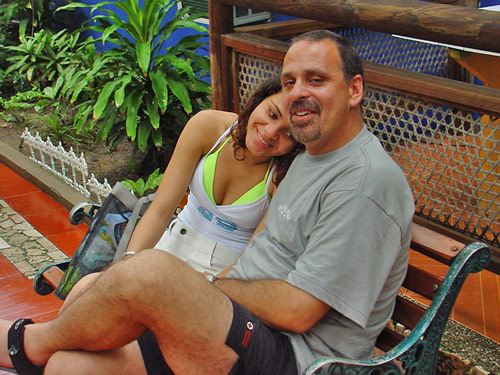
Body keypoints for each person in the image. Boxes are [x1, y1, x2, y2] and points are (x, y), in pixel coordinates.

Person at [0, 30, 415, 375]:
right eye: (290, 83)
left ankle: (24, 343)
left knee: (151, 273)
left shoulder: (365, 182)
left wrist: (205, 287)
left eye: (316, 79)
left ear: (354, 88)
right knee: (70, 368)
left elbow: (297, 311)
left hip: (293, 356)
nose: (298, 94)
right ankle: (34, 349)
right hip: (239, 322)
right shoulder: (310, 156)